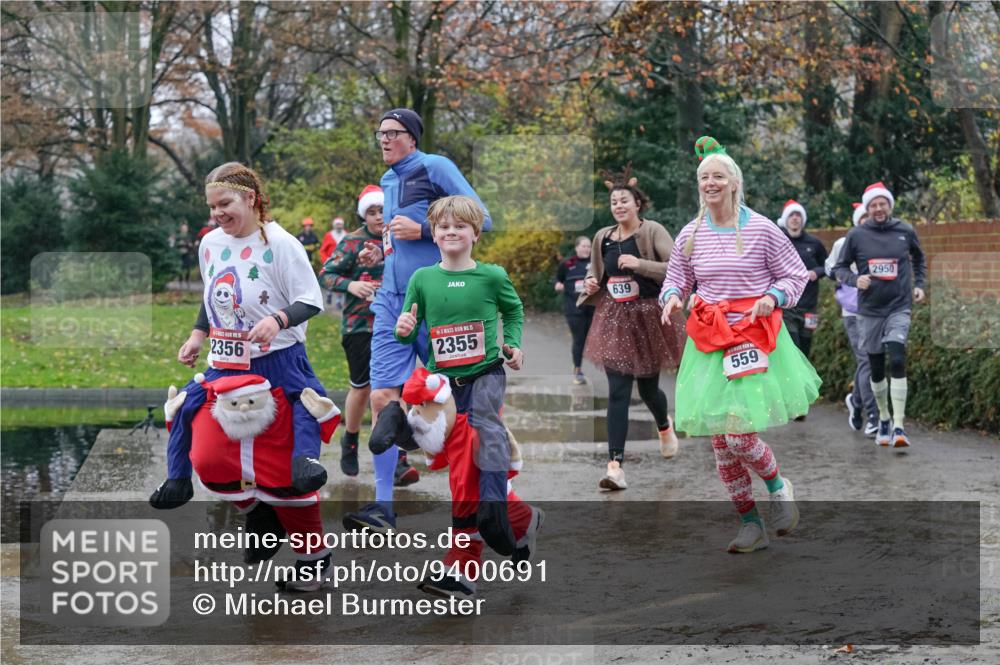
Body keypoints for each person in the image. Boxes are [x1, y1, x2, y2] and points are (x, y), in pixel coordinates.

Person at [659, 136, 818, 553]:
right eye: (703, 177)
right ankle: (750, 524)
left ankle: (779, 488)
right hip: (709, 337)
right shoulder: (690, 234)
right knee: (719, 440)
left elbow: (795, 276)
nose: (709, 183)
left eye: (717, 176)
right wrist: (672, 297)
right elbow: (676, 279)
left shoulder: (763, 229)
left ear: (733, 182)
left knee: (738, 436)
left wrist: (773, 297)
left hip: (753, 333)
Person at [342, 108, 492, 532]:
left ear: (412, 137)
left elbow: (484, 218)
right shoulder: (388, 180)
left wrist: (424, 232)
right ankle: (383, 508)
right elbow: (397, 233)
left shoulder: (435, 166)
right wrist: (382, 249)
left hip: (441, 303)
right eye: (380, 133)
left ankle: (487, 505)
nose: (385, 140)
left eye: (393, 133)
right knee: (380, 398)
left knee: (464, 406)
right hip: (393, 301)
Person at [149, 162, 330, 509]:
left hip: (278, 361)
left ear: (250, 198)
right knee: (190, 418)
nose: (218, 213)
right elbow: (213, 295)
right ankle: (179, 479)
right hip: (225, 363)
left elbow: (311, 300)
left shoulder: (281, 244)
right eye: (212, 206)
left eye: (225, 204)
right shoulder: (210, 244)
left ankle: (306, 468)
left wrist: (278, 320)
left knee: (298, 429)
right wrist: (197, 335)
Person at [393, 195, 524, 556]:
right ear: (433, 235)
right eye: (443, 227)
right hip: (444, 385)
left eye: (460, 226)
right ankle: (521, 520)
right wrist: (403, 327)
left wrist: (512, 344)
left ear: (476, 234)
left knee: (485, 426)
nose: (451, 232)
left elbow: (513, 311)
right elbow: (407, 327)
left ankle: (495, 508)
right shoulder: (422, 278)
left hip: (486, 372)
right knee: (457, 458)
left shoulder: (492, 275)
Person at [578, 169, 686, 491]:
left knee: (649, 390)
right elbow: (595, 272)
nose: (618, 206)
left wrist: (641, 265)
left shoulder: (652, 231)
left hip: (649, 317)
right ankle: (615, 468)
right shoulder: (603, 237)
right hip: (615, 318)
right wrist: (590, 282)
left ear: (638, 204)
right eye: (613, 202)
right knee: (618, 392)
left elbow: (677, 267)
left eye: (624, 200)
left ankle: (664, 425)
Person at [833, 182, 926, 449]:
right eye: (873, 205)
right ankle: (883, 418)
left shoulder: (905, 230)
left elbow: (920, 259)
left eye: (882, 204)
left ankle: (899, 425)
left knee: (897, 357)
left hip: (899, 306)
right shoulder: (857, 235)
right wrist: (854, 279)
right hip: (869, 311)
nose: (878, 209)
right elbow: (839, 268)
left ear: (889, 205)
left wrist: (919, 285)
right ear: (868, 208)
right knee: (875, 367)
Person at [318, 185, 387, 478]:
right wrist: (352, 285)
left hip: (393, 325)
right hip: (359, 325)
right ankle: (350, 439)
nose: (378, 217)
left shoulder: (399, 237)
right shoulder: (352, 243)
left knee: (391, 389)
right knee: (363, 387)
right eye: (372, 212)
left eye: (382, 210)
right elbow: (326, 274)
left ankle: (393, 452)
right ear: (363, 215)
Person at [826, 203, 879, 437]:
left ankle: (856, 401)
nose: (868, 219)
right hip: (854, 312)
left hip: (878, 310)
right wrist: (851, 279)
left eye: (871, 216)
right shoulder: (842, 243)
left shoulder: (881, 241)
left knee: (871, 360)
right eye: (864, 215)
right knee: (866, 359)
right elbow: (831, 270)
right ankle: (874, 415)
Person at [776, 199, 828, 361]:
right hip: (788, 306)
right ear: (786, 219)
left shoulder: (814, 243)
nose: (795, 218)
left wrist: (816, 272)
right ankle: (792, 384)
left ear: (803, 219)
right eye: (791, 215)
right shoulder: (779, 240)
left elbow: (828, 266)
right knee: (793, 347)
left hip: (809, 307)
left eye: (798, 215)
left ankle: (805, 385)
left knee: (805, 349)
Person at [554, 236, 595, 385]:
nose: (586, 249)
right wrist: (558, 284)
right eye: (583, 246)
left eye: (589, 247)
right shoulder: (568, 263)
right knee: (579, 340)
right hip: (574, 308)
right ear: (577, 247)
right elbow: (558, 278)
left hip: (592, 307)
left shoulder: (595, 263)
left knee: (594, 339)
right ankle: (577, 370)